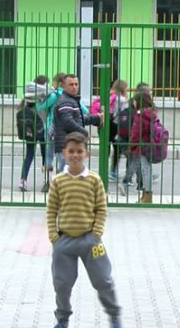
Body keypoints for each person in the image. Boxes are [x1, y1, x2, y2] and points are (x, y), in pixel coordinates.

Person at [47, 132, 122, 328]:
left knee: (103, 280)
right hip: (64, 242)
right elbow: (51, 210)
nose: (75, 155)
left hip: (90, 241)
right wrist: (54, 237)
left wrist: (96, 234)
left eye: (79, 151)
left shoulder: (94, 180)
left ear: (86, 153)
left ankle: (114, 315)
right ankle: (62, 319)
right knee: (62, 284)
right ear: (64, 153)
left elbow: (101, 208)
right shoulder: (58, 181)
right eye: (71, 151)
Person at [52, 74, 103, 174]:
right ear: (63, 86)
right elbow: (68, 122)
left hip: (70, 144)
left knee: (68, 174)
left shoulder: (70, 100)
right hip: (66, 145)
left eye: (76, 84)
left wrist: (96, 118)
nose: (74, 87)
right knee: (65, 176)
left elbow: (78, 119)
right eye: (71, 84)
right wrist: (84, 132)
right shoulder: (65, 101)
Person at [125, 91, 159, 202]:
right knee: (146, 169)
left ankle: (147, 196)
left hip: (142, 146)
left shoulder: (140, 115)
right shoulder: (151, 113)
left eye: (134, 101)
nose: (133, 103)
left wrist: (130, 147)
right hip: (150, 144)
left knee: (145, 170)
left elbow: (135, 133)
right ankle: (145, 195)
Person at [16, 89, 45, 192]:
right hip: (41, 133)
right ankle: (46, 180)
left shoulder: (22, 110)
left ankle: (23, 180)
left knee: (29, 156)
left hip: (30, 135)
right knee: (45, 156)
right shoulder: (40, 107)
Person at [109, 80, 129, 181]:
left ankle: (111, 171)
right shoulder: (122, 99)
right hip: (119, 126)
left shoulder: (111, 96)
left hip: (110, 124)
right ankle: (114, 172)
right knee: (120, 149)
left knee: (113, 149)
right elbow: (125, 113)